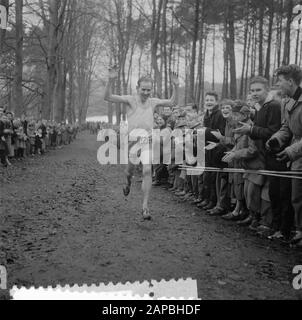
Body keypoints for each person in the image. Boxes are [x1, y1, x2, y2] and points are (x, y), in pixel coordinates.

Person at [104, 67, 179, 220]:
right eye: (143, 89)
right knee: (129, 171)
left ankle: (145, 206)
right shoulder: (130, 99)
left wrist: (175, 86)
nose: (146, 93)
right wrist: (110, 81)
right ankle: (128, 182)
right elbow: (108, 97)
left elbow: (172, 102)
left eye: (148, 90)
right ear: (137, 88)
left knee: (146, 170)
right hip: (132, 140)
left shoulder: (153, 102)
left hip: (147, 139)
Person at [267, 64, 302, 246]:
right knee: (296, 197)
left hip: (296, 153)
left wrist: (290, 151)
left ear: (290, 81)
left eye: (280, 81)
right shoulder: (287, 102)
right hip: (296, 158)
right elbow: (286, 128)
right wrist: (276, 140)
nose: (278, 85)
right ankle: (299, 231)